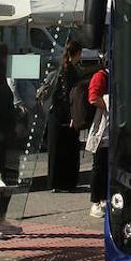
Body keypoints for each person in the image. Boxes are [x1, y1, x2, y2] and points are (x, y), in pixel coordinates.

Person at [0, 43, 23, 241]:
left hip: (8, 138)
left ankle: (0, 217)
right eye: (4, 57)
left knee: (9, 177)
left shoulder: (1, 80)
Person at [47, 38, 84, 192]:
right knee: (69, 151)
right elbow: (70, 96)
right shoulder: (72, 72)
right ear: (76, 54)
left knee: (56, 151)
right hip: (66, 115)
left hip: (55, 115)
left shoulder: (60, 70)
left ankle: (54, 183)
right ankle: (68, 183)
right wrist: (72, 117)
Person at [86, 63, 111, 218]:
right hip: (102, 128)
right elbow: (93, 98)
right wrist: (110, 104)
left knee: (108, 166)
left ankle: (104, 198)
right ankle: (95, 201)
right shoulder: (101, 76)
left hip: (113, 128)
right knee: (99, 166)